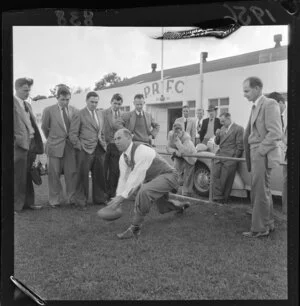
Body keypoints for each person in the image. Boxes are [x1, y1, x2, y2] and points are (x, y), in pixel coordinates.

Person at [106, 128, 190, 239]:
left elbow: (137, 177)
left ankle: (135, 228)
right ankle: (181, 206)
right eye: (115, 139)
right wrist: (118, 198)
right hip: (154, 179)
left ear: (129, 138)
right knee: (163, 208)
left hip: (169, 175)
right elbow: (123, 179)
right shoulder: (123, 158)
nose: (116, 141)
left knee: (144, 191)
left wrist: (122, 197)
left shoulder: (141, 150)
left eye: (119, 138)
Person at [242, 77, 282, 238]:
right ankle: (268, 224)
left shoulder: (269, 104)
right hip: (256, 152)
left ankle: (260, 228)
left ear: (257, 88)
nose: (244, 94)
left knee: (259, 191)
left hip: (261, 153)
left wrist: (259, 152)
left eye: (246, 90)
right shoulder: (256, 106)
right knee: (262, 190)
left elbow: (276, 133)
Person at [41, 86, 78, 207]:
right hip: (54, 146)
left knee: (71, 174)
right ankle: (54, 200)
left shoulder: (74, 110)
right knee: (54, 175)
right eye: (62, 99)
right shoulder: (48, 110)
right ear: (57, 98)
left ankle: (71, 199)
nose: (65, 102)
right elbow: (44, 128)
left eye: (67, 99)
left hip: (70, 147)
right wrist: (52, 139)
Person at [69, 92, 107, 209]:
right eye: (92, 102)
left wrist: (103, 143)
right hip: (84, 150)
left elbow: (101, 131)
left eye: (96, 102)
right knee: (82, 176)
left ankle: (100, 199)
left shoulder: (100, 114)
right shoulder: (79, 114)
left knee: (100, 175)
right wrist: (79, 146)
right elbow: (72, 134)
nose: (94, 104)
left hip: (99, 149)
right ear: (86, 101)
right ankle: (81, 201)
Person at [14, 77, 44, 212]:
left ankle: (29, 203)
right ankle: (16, 206)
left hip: (30, 145)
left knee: (28, 175)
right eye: (25, 90)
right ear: (16, 89)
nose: (28, 93)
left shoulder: (28, 105)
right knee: (18, 177)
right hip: (18, 146)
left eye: (29, 90)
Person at [212, 112, 244, 203]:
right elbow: (217, 142)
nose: (222, 123)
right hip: (219, 156)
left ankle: (224, 199)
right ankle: (217, 197)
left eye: (223, 121)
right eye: (221, 122)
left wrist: (234, 160)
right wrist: (217, 135)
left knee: (226, 179)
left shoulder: (238, 129)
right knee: (215, 176)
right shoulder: (222, 128)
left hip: (230, 158)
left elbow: (240, 147)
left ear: (229, 118)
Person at [267, 92, 287, 213]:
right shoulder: (279, 117)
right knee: (286, 182)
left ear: (280, 103)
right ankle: (286, 211)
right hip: (285, 154)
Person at [166, 122, 197, 197]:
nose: (177, 131)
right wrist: (175, 151)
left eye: (179, 129)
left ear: (182, 130)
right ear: (173, 130)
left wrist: (178, 142)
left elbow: (184, 151)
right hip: (179, 155)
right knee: (175, 171)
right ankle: (174, 188)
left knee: (188, 174)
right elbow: (168, 148)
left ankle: (187, 192)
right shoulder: (171, 135)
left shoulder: (186, 137)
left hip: (190, 156)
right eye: (176, 129)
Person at [102, 93, 124, 200]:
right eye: (115, 103)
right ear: (111, 102)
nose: (116, 106)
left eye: (119, 104)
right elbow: (99, 130)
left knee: (115, 171)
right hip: (105, 145)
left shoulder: (123, 115)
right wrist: (103, 143)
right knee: (103, 171)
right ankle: (104, 193)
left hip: (117, 147)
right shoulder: (103, 113)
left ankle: (112, 194)